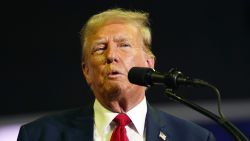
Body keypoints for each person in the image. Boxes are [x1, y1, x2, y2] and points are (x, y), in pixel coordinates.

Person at [17, 8, 216, 141]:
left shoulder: (193, 138)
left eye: (124, 45)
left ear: (149, 64)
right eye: (99, 48)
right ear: (87, 71)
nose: (111, 55)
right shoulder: (39, 136)